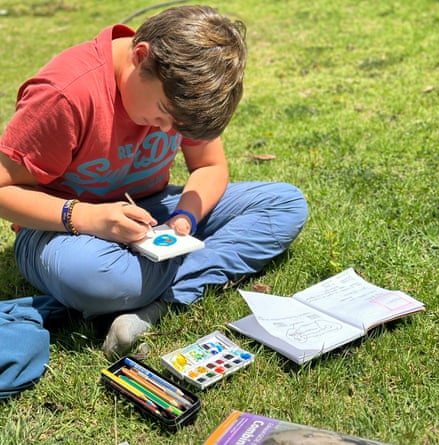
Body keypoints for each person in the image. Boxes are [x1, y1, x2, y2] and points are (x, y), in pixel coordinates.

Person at [0, 5, 307, 360]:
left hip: (149, 210)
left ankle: (151, 299)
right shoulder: (65, 94)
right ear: (140, 56)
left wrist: (185, 218)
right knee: (92, 275)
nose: (164, 130)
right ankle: (141, 287)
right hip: (60, 227)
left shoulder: (182, 94)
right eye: (163, 112)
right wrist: (87, 218)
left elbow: (209, 165)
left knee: (285, 204)